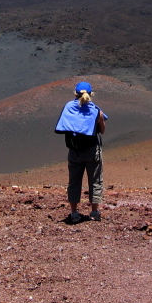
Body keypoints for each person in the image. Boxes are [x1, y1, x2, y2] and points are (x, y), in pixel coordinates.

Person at [53, 81, 108, 224]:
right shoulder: (97, 111)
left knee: (74, 181)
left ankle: (74, 213)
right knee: (95, 180)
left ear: (75, 94)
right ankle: (95, 212)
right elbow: (102, 130)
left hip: (74, 151)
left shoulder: (68, 107)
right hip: (92, 151)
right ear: (91, 94)